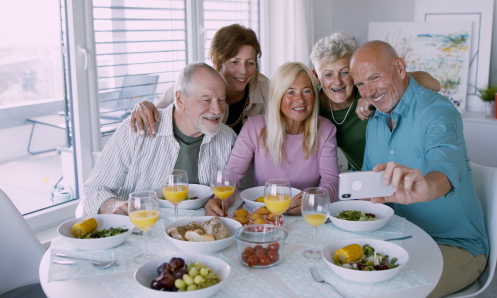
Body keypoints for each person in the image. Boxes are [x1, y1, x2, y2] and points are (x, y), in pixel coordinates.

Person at [350, 40, 489, 298]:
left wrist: (427, 187)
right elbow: (370, 189)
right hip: (398, 239)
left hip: (452, 245)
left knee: (390, 293)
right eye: (360, 84)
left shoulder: (436, 110)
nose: (368, 91)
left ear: (400, 68)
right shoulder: (375, 123)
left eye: (375, 78)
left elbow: (444, 163)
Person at [83, 63, 237, 215]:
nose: (217, 110)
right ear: (180, 99)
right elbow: (94, 189)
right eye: (206, 100)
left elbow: (231, 189)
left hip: (199, 234)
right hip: (142, 231)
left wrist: (218, 200)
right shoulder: (136, 130)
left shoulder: (227, 138)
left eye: (221, 100)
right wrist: (115, 205)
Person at [205, 62, 339, 216]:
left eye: (307, 91)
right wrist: (218, 199)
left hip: (305, 215)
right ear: (277, 95)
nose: (300, 99)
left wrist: (316, 198)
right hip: (263, 214)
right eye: (290, 92)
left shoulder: (326, 129)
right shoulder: (254, 127)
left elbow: (331, 180)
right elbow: (233, 176)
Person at [309, 31, 441, 170]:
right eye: (328, 74)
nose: (337, 82)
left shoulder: (370, 89)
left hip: (402, 171)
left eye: (345, 72)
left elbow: (433, 84)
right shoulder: (312, 102)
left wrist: (370, 97)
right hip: (362, 177)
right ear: (316, 76)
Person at [130, 24, 268, 137]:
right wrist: (143, 106)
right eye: (234, 62)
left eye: (250, 63)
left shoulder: (267, 88)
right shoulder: (196, 81)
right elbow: (157, 112)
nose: (243, 71)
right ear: (217, 62)